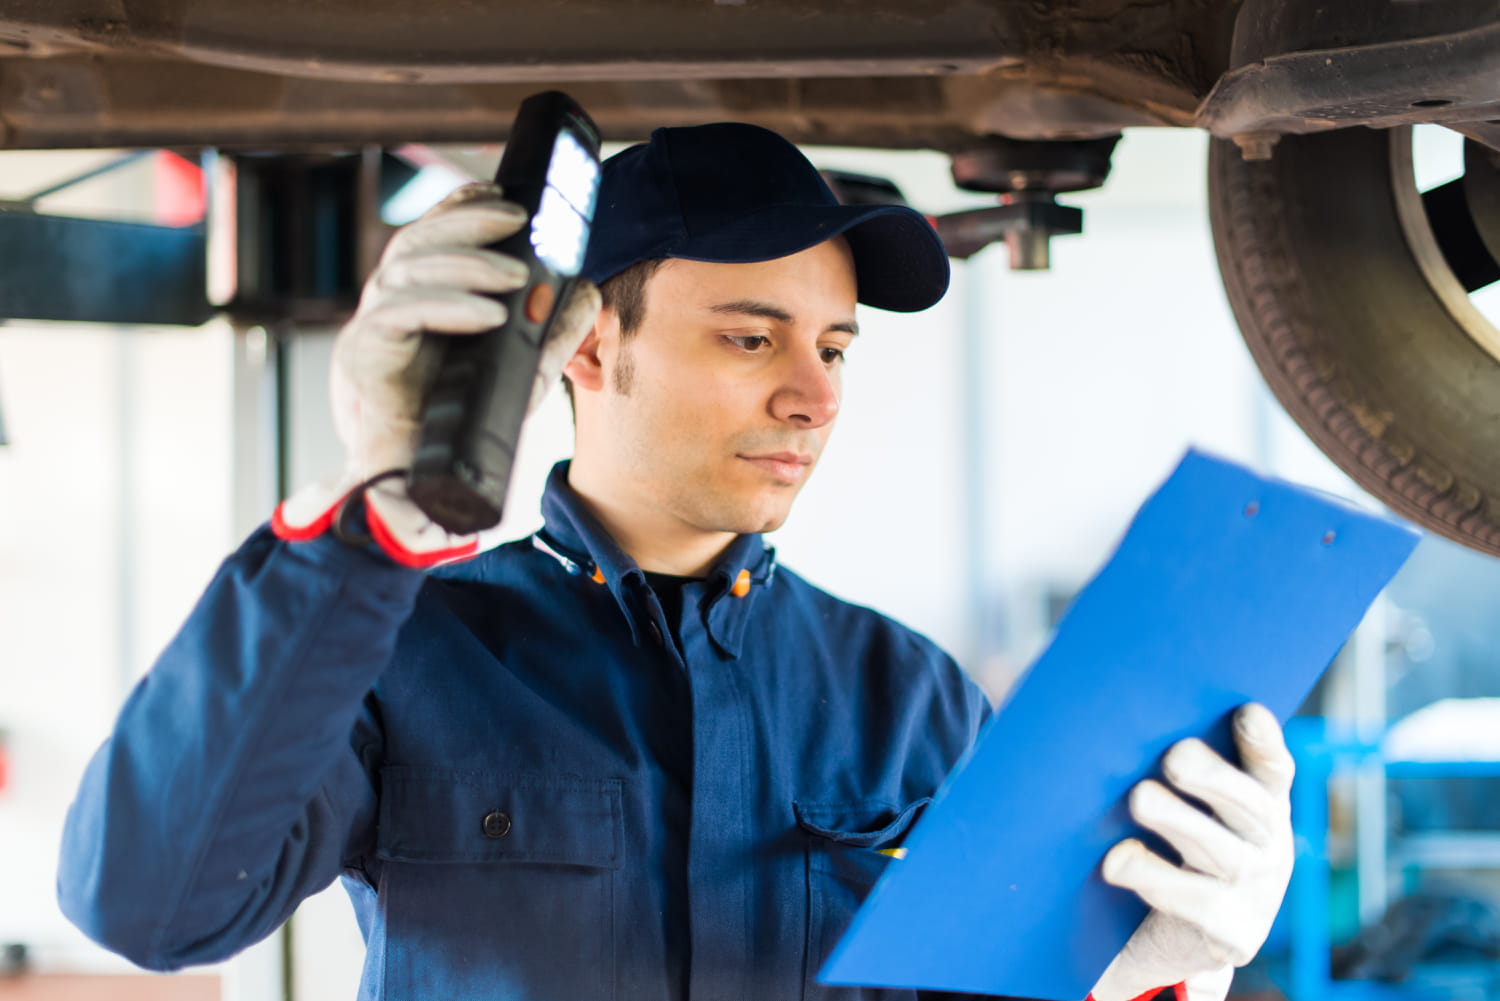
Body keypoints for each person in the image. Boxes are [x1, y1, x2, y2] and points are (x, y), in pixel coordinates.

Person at [58, 122, 1294, 1001]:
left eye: (838, 348)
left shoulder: (909, 693)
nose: (815, 397)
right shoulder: (405, 648)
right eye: (752, 337)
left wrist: (1154, 970)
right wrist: (377, 502)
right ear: (591, 349)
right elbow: (151, 902)